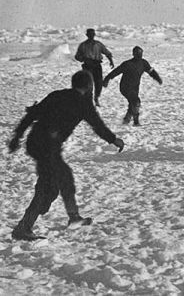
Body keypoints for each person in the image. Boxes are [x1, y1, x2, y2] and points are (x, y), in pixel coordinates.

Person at [7, 70, 125, 241]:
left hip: (36, 142)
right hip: (48, 146)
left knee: (62, 178)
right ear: (88, 86)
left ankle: (72, 216)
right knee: (49, 186)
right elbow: (97, 126)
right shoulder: (84, 103)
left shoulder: (57, 95)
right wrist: (114, 140)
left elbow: (32, 114)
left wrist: (17, 137)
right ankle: (24, 227)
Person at [102, 46, 163, 126]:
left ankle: (126, 120)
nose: (139, 55)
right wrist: (106, 79)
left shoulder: (143, 63)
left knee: (133, 102)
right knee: (136, 101)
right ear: (133, 54)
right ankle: (136, 122)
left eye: (140, 53)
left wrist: (157, 78)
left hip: (135, 87)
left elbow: (151, 72)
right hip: (125, 87)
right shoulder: (127, 64)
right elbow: (115, 72)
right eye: (137, 53)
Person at [74, 28, 114, 106]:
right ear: (87, 35)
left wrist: (111, 61)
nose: (91, 36)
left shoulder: (98, 44)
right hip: (87, 66)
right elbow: (77, 56)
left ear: (94, 35)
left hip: (97, 66)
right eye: (90, 34)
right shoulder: (83, 45)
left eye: (93, 34)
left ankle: (96, 97)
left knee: (99, 83)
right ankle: (89, 100)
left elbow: (107, 52)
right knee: (88, 84)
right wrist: (83, 58)